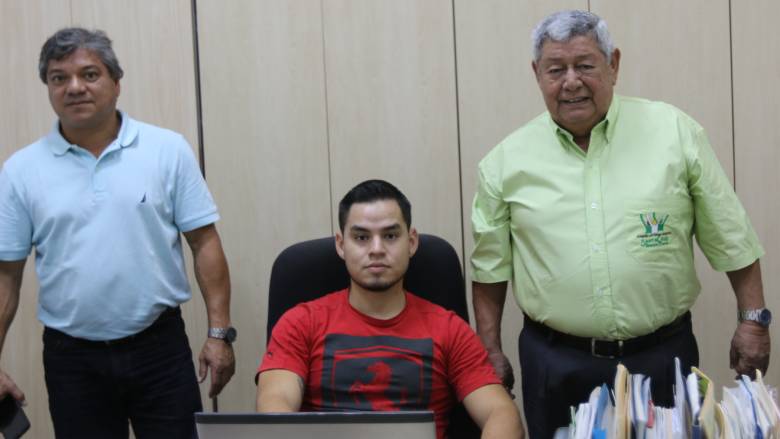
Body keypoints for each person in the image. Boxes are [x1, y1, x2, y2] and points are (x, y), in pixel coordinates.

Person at [470, 10, 769, 438]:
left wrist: (753, 320)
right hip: (556, 363)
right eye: (556, 69)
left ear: (614, 64)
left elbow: (731, 236)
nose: (571, 81)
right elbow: (489, 269)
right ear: (537, 73)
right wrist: (490, 349)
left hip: (663, 356)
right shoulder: (503, 163)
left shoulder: (674, 133)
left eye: (585, 65)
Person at [0, 28, 236, 438]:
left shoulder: (166, 149)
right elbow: (7, 274)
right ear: (49, 88)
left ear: (116, 83)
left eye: (89, 74)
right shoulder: (21, 171)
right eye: (59, 78)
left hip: (159, 349)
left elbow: (204, 242)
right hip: (71, 358)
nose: (74, 87)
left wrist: (219, 333)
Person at [257, 179, 523, 439]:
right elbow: (275, 408)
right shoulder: (301, 323)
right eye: (361, 237)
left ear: (411, 242)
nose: (376, 249)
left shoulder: (450, 329)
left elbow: (501, 413)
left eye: (391, 236)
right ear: (340, 244)